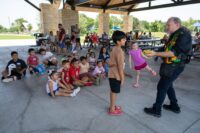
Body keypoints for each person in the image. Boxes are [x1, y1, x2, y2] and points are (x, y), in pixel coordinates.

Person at [144, 17, 192, 117]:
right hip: (170, 66)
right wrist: (155, 50)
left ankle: (156, 110)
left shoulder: (184, 35)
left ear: (177, 24)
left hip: (176, 66)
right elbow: (167, 47)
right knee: (168, 85)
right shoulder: (175, 34)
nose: (167, 27)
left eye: (168, 25)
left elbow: (172, 53)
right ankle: (174, 106)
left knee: (162, 86)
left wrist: (155, 53)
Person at [108, 30, 126, 116]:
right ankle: (112, 109)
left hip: (112, 74)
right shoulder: (119, 51)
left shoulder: (114, 48)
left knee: (113, 91)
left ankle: (113, 106)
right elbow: (120, 66)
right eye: (123, 39)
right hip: (115, 76)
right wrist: (122, 78)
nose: (125, 40)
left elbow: (112, 62)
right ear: (118, 42)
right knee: (114, 92)